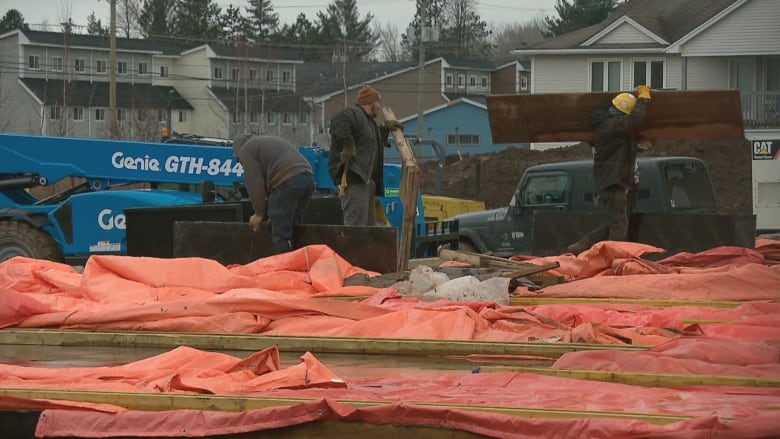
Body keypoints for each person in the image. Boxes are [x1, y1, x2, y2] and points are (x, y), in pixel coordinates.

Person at [566, 85, 652, 254]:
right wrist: (644, 100)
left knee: (618, 222)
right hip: (612, 182)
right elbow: (634, 120)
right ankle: (613, 257)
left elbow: (622, 146)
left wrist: (638, 144)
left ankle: (581, 246)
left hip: (613, 180)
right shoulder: (611, 126)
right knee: (619, 225)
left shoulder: (609, 126)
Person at [327, 84, 403, 226]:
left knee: (368, 230)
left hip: (367, 182)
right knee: (356, 228)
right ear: (370, 101)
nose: (380, 106)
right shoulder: (353, 113)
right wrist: (348, 145)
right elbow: (337, 122)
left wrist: (384, 129)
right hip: (355, 180)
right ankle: (352, 249)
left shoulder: (370, 123)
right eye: (378, 102)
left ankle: (363, 249)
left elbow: (371, 145)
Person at [232, 134, 315, 254]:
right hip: (307, 178)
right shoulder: (264, 143)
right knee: (294, 228)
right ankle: (299, 264)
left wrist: (259, 214)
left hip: (286, 179)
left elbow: (255, 182)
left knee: (281, 234)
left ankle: (286, 269)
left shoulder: (246, 150)